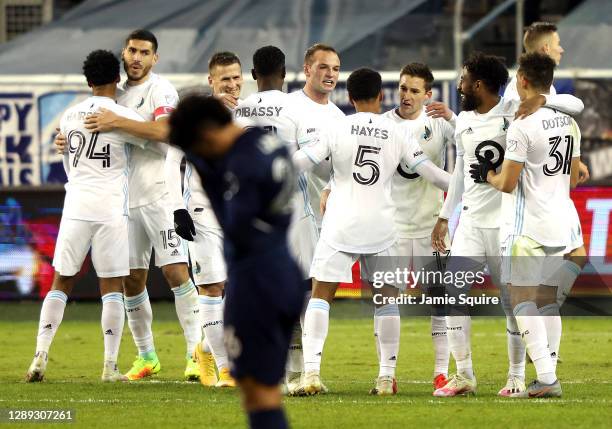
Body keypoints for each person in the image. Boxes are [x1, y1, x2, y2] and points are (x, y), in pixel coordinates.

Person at [430, 52, 584, 397]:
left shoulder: (515, 108)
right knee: (451, 296)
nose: (459, 84)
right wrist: (444, 217)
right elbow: (459, 173)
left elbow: (572, 104)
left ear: (479, 84)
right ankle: (464, 375)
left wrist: (543, 98)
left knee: (512, 305)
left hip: (507, 224)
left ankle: (516, 377)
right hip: (470, 223)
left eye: (464, 79)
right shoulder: (464, 121)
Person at [293, 68, 451, 396]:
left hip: (340, 225)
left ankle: (310, 373)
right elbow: (434, 175)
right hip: (382, 227)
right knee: (386, 301)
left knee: (321, 297)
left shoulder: (336, 127)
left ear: (349, 98)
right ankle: (384, 378)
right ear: (382, 97)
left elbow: (300, 162)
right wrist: (476, 187)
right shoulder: (397, 133)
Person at [55, 29, 201, 381]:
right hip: (122, 201)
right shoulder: (114, 94)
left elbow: (166, 132)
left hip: (160, 195)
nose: (137, 57)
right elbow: (92, 134)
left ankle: (196, 353)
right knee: (131, 280)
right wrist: (66, 139)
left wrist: (118, 121)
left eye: (144, 52)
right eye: (132, 50)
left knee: (175, 272)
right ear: (124, 53)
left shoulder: (161, 90)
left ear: (155, 58)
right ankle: (147, 355)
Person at [169, 95, 303, 429]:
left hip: (257, 282)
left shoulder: (242, 165)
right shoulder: (267, 141)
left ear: (207, 135)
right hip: (286, 272)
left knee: (257, 394)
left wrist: (209, 178)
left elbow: (237, 228)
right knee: (266, 390)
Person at [26, 50, 151, 382]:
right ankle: (109, 367)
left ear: (87, 80)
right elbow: (153, 141)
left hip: (76, 205)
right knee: (111, 287)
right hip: (111, 208)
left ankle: (39, 356)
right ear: (116, 79)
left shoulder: (68, 117)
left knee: (61, 282)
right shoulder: (123, 116)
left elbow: (68, 162)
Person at [232, 45, 318, 394]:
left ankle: (277, 373)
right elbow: (313, 151)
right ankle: (308, 370)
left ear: (253, 75)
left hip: (254, 213)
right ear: (284, 75)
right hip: (295, 209)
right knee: (307, 290)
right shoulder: (298, 107)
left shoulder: (238, 111)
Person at [382, 62, 456, 390]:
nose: (406, 95)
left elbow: (472, 139)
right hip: (393, 227)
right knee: (386, 300)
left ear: (428, 95)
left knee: (439, 301)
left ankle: (441, 371)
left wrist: (453, 117)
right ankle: (387, 374)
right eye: (402, 88)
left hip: (431, 227)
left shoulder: (438, 124)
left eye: (414, 90)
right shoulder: (383, 125)